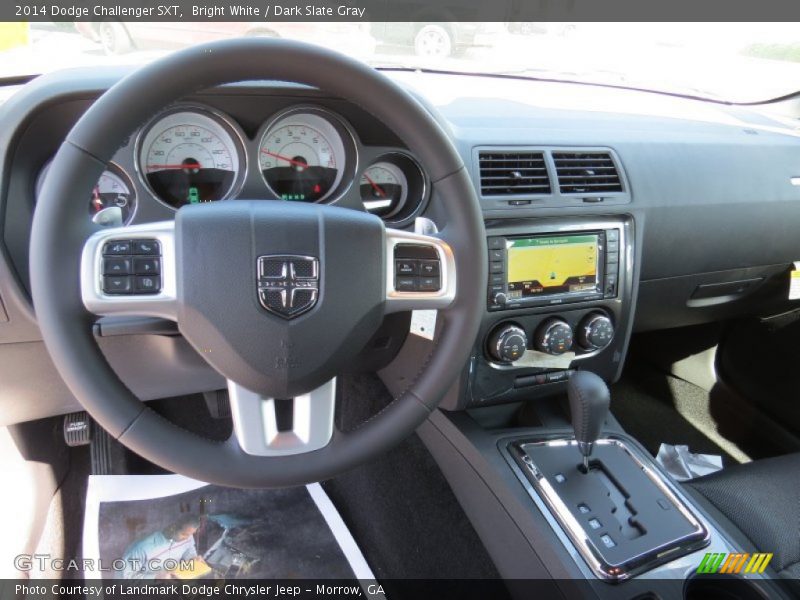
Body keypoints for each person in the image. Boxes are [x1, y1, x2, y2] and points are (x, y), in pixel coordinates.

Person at [120, 514, 202, 579]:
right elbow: (124, 579)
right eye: (184, 534)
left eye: (191, 534)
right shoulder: (141, 548)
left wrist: (192, 558)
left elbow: (189, 549)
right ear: (173, 528)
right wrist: (155, 577)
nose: (187, 538)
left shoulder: (187, 535)